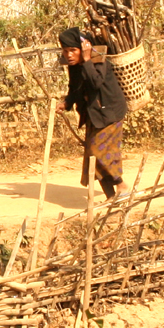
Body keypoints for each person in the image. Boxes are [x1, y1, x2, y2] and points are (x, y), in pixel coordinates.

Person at [59, 27, 131, 202]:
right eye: (66, 51)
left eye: (73, 50)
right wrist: (66, 103)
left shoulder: (98, 61)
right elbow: (75, 88)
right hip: (93, 114)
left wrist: (86, 60)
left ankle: (122, 186)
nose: (69, 55)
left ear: (84, 48)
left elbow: (95, 82)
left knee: (99, 153)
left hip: (110, 112)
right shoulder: (74, 67)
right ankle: (111, 197)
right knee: (92, 158)